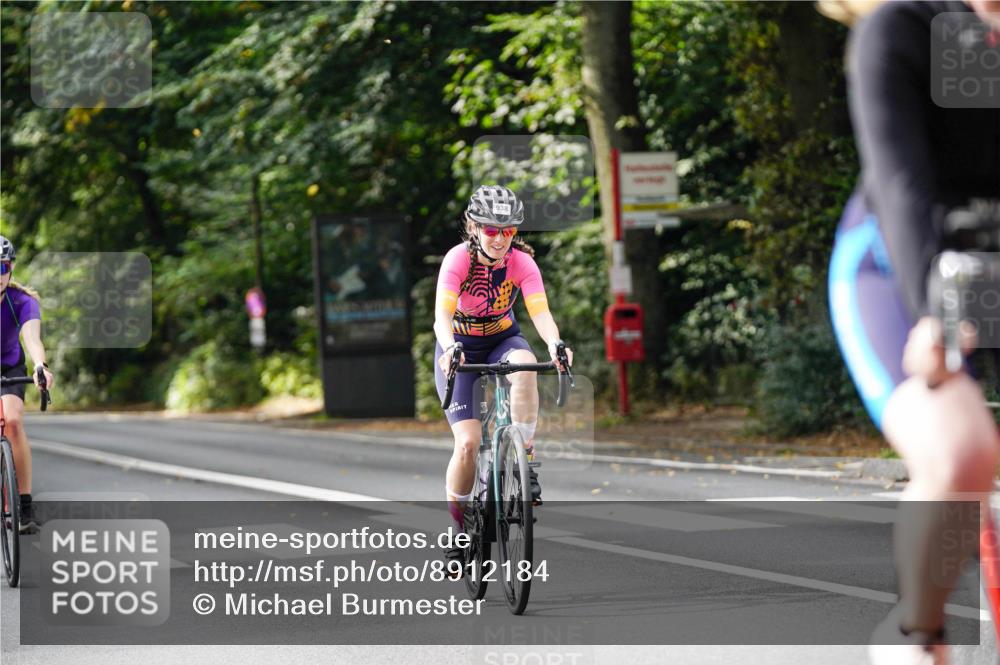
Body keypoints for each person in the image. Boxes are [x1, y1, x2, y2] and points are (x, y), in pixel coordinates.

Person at [826, 2, 1000, 663]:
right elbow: (901, 187)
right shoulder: (901, 30)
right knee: (960, 453)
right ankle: (917, 637)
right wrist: (934, 312)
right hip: (900, 262)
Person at [433, 185, 571, 567]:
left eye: (507, 230)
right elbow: (442, 315)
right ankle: (458, 530)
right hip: (459, 345)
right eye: (491, 230)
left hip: (501, 339)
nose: (499, 238)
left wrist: (556, 344)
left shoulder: (522, 263)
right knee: (468, 444)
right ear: (474, 227)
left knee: (525, 367)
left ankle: (525, 454)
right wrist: (449, 349)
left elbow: (539, 312)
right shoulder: (457, 260)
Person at [0, 235, 54, 534]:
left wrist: (40, 367)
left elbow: (32, 340)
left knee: (14, 423)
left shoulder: (22, 301)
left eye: (2, 267)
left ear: (10, 268)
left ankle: (24, 506)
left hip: (9, 368)